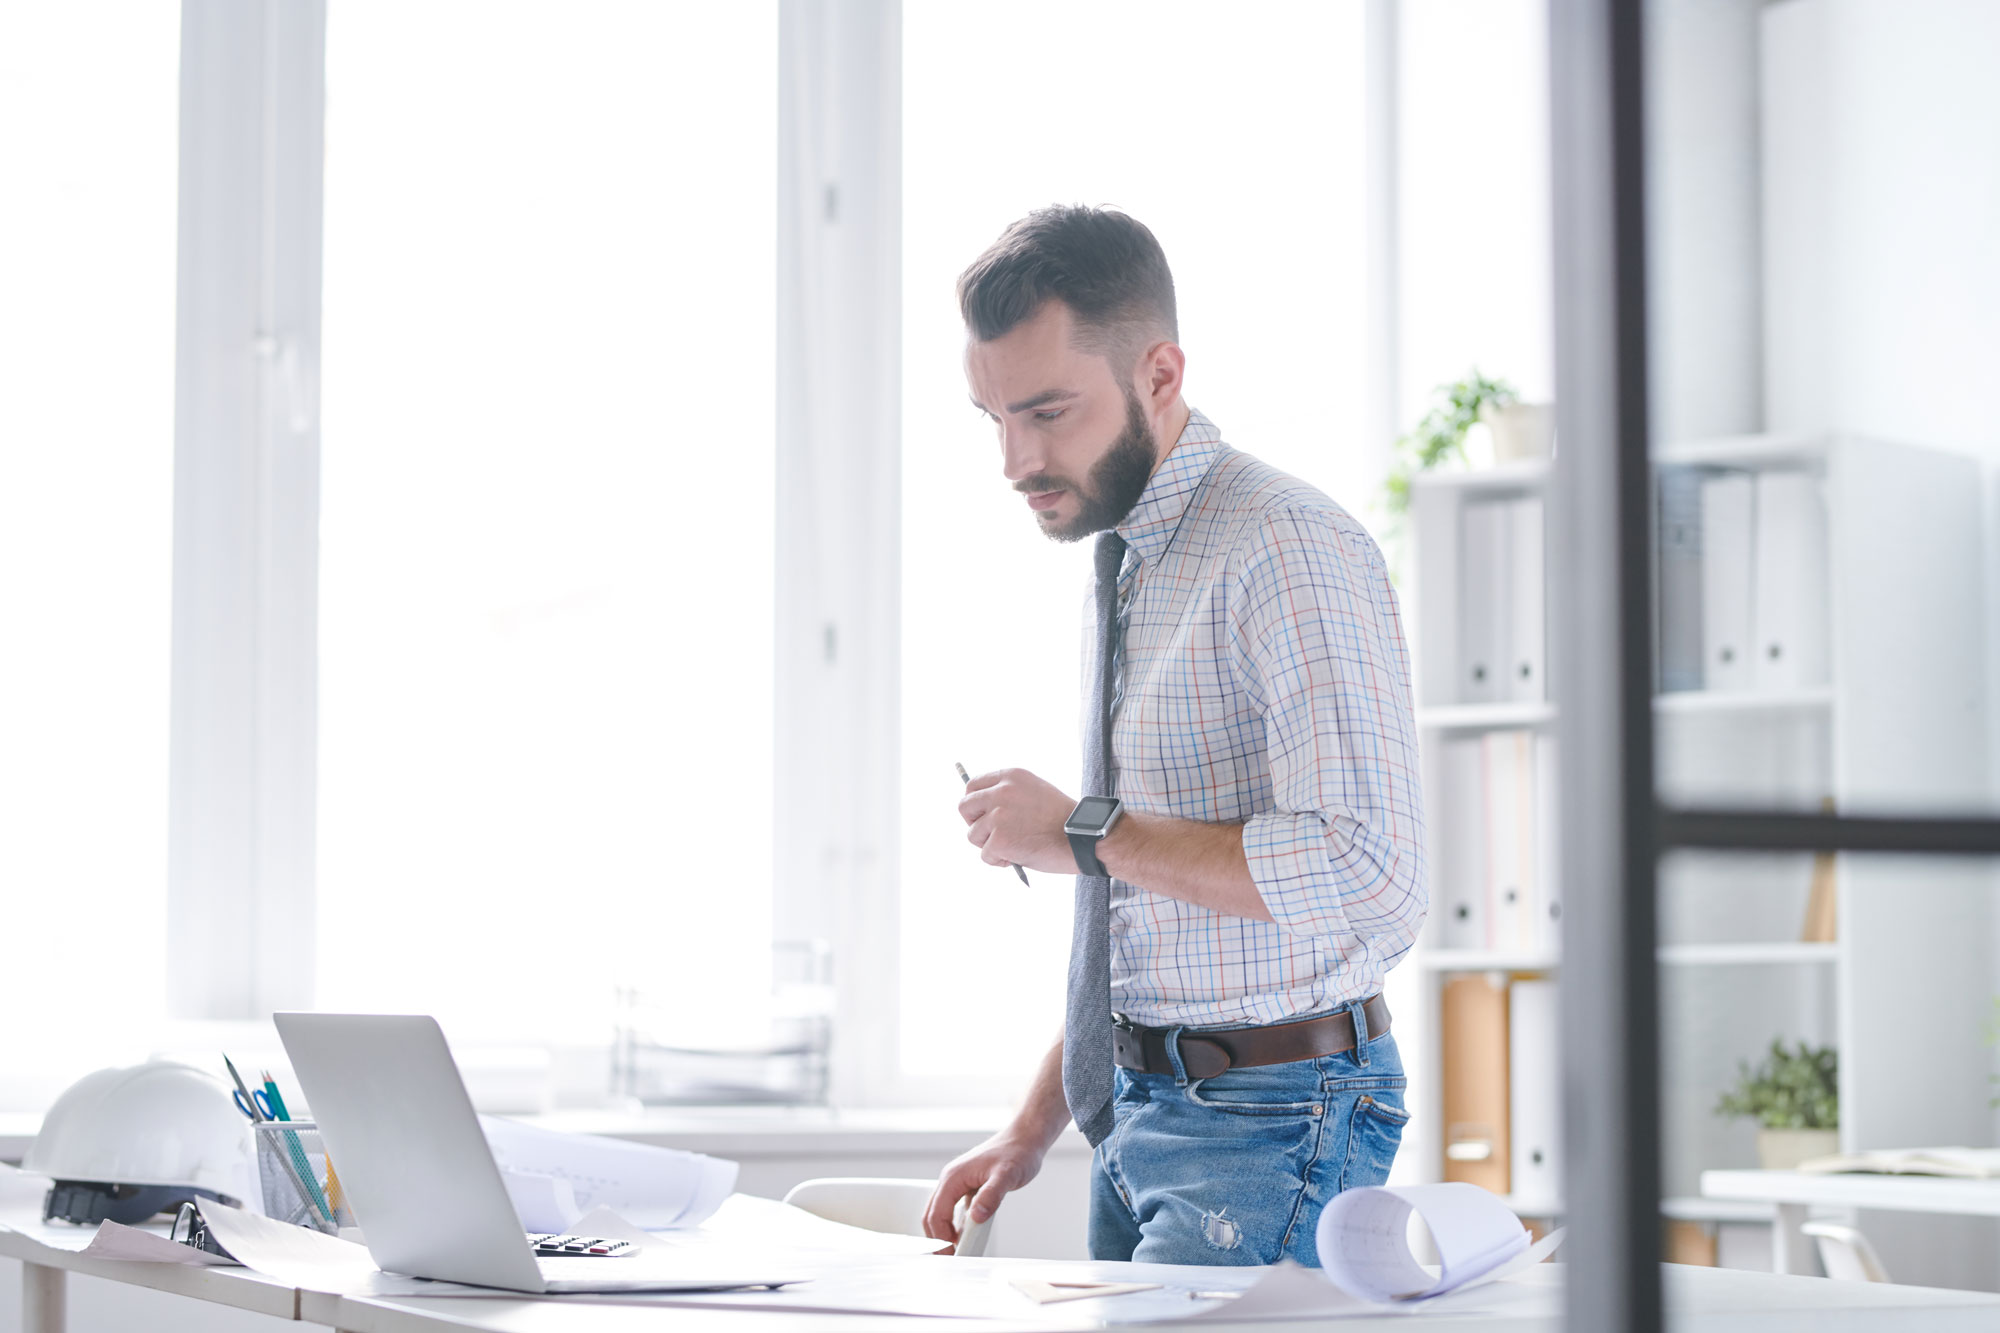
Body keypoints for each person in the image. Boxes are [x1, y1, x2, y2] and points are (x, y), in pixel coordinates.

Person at [921, 205, 1426, 1266]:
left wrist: (1082, 830)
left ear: (1158, 372)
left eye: (1048, 411)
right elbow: (1165, 923)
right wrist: (1031, 1126)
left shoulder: (1280, 545)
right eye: (993, 418)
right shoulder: (1136, 560)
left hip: (1270, 1116)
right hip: (1148, 1114)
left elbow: (1366, 869)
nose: (1016, 459)